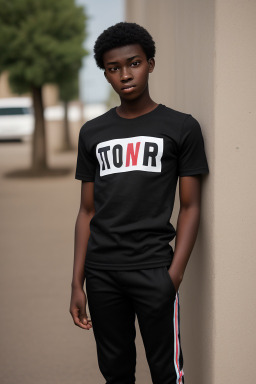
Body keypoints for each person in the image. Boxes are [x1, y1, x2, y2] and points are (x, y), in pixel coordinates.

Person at [69, 22, 209, 384]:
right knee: (116, 373)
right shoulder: (93, 133)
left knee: (167, 372)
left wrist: (173, 277)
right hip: (102, 274)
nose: (125, 75)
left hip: (154, 269)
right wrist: (76, 283)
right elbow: (87, 211)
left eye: (134, 63)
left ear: (151, 63)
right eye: (113, 69)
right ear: (105, 74)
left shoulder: (181, 127)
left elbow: (191, 207)